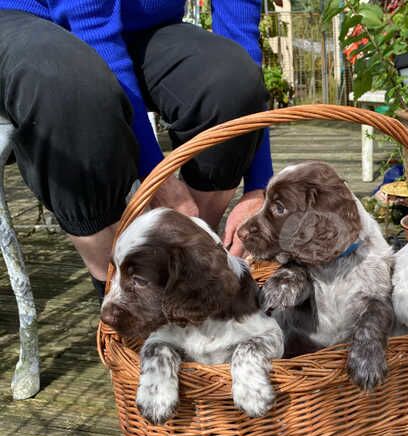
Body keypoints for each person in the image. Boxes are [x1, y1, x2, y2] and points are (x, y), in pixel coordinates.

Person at [0, 1, 274, 300]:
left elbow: (240, 32)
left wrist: (260, 187)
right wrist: (156, 175)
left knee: (230, 81)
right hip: (27, 20)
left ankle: (189, 268)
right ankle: (120, 300)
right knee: (69, 87)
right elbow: (88, 21)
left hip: (145, 29)